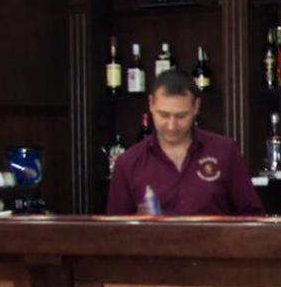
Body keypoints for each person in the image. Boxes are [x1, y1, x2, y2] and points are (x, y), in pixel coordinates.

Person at [105, 70, 264, 216]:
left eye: (181, 116)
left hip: (215, 240)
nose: (171, 126)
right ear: (151, 104)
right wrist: (138, 223)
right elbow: (114, 232)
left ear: (196, 107)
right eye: (163, 115)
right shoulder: (127, 163)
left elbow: (252, 217)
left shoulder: (224, 151)